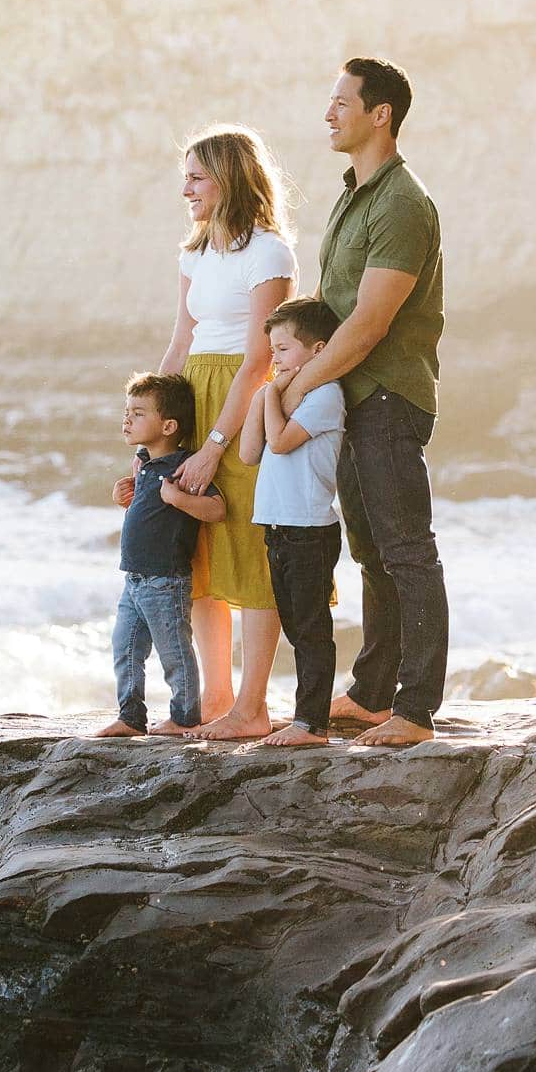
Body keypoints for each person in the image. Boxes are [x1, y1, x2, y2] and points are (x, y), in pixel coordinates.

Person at [275, 57, 447, 747]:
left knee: (407, 553)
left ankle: (415, 711)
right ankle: (374, 694)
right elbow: (333, 310)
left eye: (341, 101)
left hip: (388, 395)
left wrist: (295, 384)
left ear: (381, 114)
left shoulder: (403, 203)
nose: (328, 113)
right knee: (371, 553)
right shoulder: (355, 194)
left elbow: (369, 322)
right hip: (350, 398)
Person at [162, 126, 294, 738]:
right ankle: (215, 697)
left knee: (247, 543)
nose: (185, 188)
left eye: (196, 177)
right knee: (198, 556)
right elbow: (181, 340)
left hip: (242, 407)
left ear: (229, 179)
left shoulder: (269, 252)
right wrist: (154, 429)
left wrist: (217, 443)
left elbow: (259, 360)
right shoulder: (194, 252)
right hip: (193, 395)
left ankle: (253, 705)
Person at [238, 297, 345, 748]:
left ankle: (312, 724)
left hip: (309, 529)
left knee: (311, 628)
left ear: (318, 350)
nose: (275, 358)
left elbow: (279, 443)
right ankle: (305, 715)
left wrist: (269, 395)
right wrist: (268, 393)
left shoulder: (326, 395)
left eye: (282, 349)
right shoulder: (282, 397)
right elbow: (248, 453)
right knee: (295, 625)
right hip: (278, 526)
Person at [97, 372, 224, 739]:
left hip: (165, 581)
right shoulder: (146, 466)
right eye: (126, 412)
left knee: (174, 653)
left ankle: (185, 717)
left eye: (138, 413)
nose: (127, 419)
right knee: (125, 649)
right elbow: (146, 516)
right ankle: (130, 716)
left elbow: (216, 509)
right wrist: (126, 496)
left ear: (168, 425)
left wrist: (179, 499)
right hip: (133, 579)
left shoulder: (182, 468)